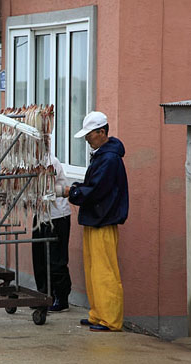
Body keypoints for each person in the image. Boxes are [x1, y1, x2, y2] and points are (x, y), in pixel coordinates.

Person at [64, 111, 129, 332]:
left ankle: (110, 319)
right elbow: (94, 187)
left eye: (89, 135)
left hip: (103, 219)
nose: (87, 140)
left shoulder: (109, 158)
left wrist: (71, 192)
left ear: (102, 132)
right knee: (94, 270)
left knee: (104, 272)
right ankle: (98, 314)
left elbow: (96, 190)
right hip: (96, 218)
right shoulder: (103, 155)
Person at [32, 145, 71, 312]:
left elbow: (46, 189)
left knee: (56, 260)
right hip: (40, 216)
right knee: (39, 258)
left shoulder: (50, 162)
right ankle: (44, 295)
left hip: (57, 216)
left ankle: (61, 298)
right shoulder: (30, 161)